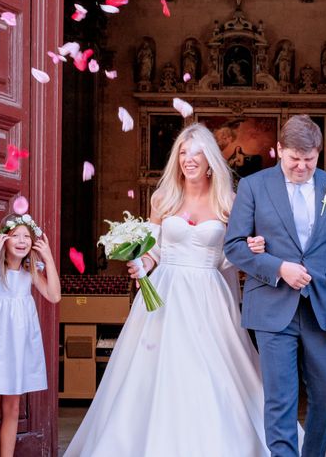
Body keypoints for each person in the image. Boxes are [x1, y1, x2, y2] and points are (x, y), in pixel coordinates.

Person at [66, 123, 272, 456]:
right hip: (165, 294)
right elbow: (153, 249)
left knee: (210, 368)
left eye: (196, 153)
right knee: (156, 368)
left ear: (210, 160)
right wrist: (142, 264)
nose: (188, 159)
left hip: (208, 295)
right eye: (182, 153)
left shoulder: (228, 202)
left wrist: (252, 249)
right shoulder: (163, 198)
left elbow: (230, 258)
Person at [224, 114, 326, 457]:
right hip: (272, 307)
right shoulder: (253, 186)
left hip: (324, 310)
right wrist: (279, 267)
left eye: (309, 160)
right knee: (280, 397)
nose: (301, 167)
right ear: (279, 150)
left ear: (318, 153)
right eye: (294, 160)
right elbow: (234, 246)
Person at [0, 212, 60, 457]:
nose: (22, 241)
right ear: (4, 238)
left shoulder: (30, 270)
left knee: (12, 408)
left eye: (27, 236)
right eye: (15, 236)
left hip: (18, 342)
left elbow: (54, 296)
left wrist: (48, 257)